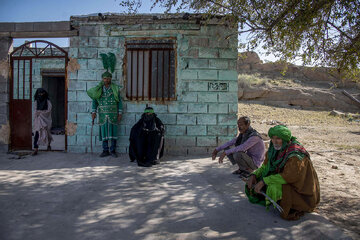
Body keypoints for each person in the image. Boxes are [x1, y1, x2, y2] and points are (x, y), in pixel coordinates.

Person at [246, 125, 320, 220]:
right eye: (272, 138)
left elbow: (289, 176)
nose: (274, 141)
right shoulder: (273, 150)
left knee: (273, 187)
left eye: (278, 139)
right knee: (254, 180)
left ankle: (292, 204)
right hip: (284, 178)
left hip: (299, 187)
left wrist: (264, 181)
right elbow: (265, 167)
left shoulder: (295, 155)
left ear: (285, 139)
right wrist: (254, 175)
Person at [87, 53, 123, 158]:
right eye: (105, 78)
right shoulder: (98, 89)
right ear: (102, 79)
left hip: (113, 114)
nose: (106, 80)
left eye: (108, 78)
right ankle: (105, 150)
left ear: (110, 79)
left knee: (113, 133)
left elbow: (119, 101)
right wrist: (93, 112)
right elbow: (95, 101)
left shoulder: (115, 88)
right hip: (102, 114)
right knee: (103, 133)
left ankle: (113, 150)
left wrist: (120, 113)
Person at [32, 88, 53, 156]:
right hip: (38, 120)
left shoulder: (47, 102)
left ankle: (48, 144)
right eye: (39, 94)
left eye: (42, 94)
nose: (41, 95)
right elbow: (35, 110)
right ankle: (36, 148)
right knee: (37, 133)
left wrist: (40, 112)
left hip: (46, 120)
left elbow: (48, 110)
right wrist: (39, 113)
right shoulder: (36, 102)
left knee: (47, 133)